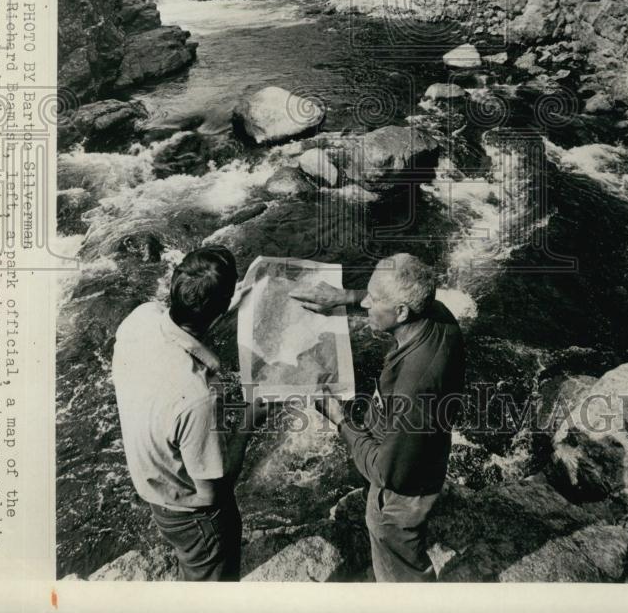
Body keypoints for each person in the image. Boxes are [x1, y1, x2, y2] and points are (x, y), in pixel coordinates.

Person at [291, 253, 465, 583]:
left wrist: (340, 420)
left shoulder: (415, 383)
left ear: (401, 312)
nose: (366, 301)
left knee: (395, 553)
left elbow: (388, 473)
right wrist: (344, 298)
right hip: (421, 445)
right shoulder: (437, 315)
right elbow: (390, 302)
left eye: (373, 299)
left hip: (402, 487)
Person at [112, 245, 262, 582]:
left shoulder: (140, 318)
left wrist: (223, 303)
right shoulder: (197, 398)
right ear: (219, 310)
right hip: (194, 518)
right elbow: (211, 494)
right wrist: (250, 421)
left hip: (156, 494)